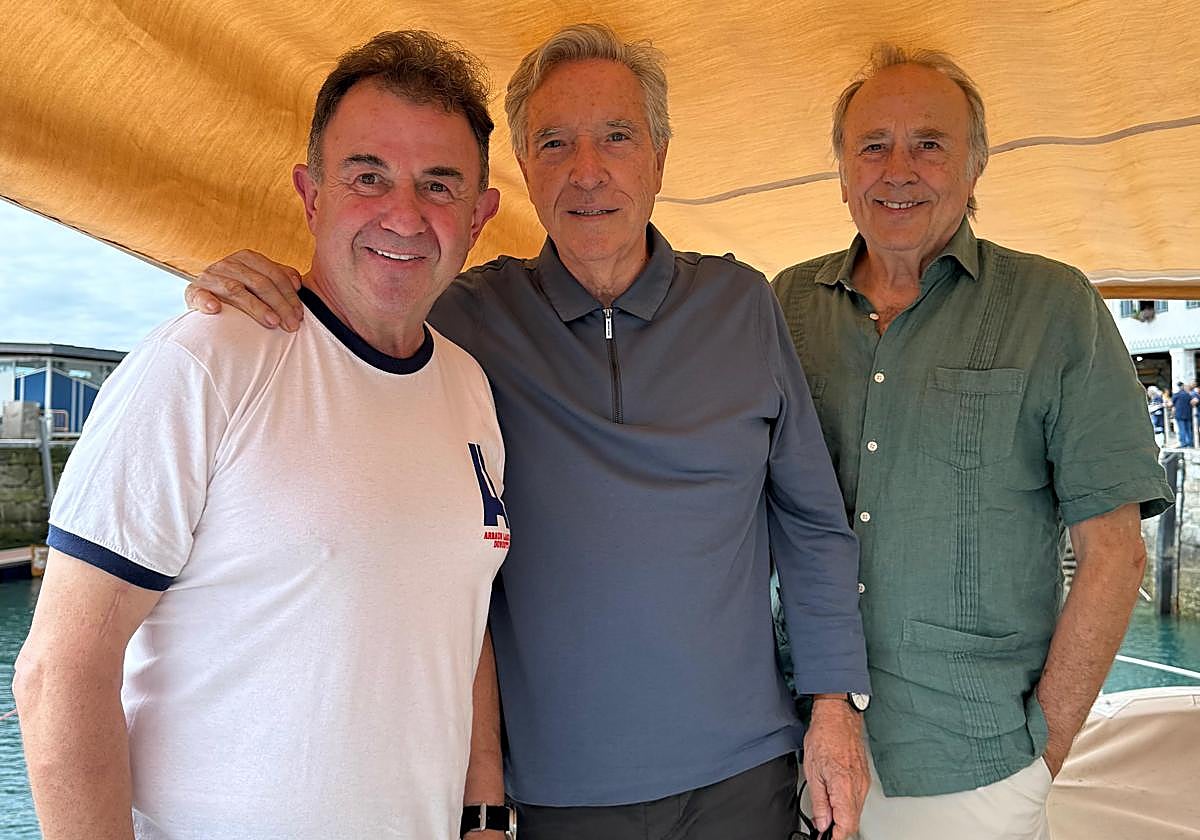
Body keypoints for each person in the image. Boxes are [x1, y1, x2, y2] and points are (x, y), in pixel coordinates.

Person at [185, 23, 871, 840]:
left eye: (616, 136)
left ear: (658, 156)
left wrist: (834, 705)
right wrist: (261, 286)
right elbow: (357, 315)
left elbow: (812, 524)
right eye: (554, 143)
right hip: (553, 791)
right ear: (522, 172)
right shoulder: (463, 317)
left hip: (745, 771)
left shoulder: (741, 303)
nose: (589, 171)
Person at [14, 31, 513, 840]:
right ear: (311, 195)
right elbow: (59, 672)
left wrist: (484, 813)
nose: (404, 213)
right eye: (367, 176)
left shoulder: (469, 389)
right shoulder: (207, 360)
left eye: (440, 184)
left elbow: (460, 613)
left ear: (480, 216)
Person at [772, 44, 1173, 840]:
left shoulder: (1055, 307)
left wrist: (1040, 755)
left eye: (929, 143)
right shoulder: (782, 305)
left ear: (976, 164)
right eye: (873, 145)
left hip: (976, 770)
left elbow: (1116, 551)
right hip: (792, 753)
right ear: (842, 169)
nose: (898, 169)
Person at [1171, 381, 1194, 446]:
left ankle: (1183, 443)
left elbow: (1171, 403)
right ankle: (1189, 443)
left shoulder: (1176, 395)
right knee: (1188, 430)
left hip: (1179, 415)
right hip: (1188, 415)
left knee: (1182, 430)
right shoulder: (1188, 395)